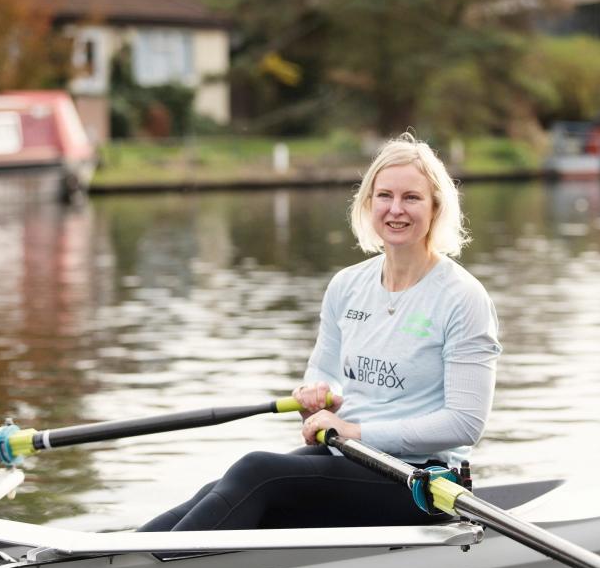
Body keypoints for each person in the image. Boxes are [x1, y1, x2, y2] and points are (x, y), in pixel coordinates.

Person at [139, 132, 501, 533]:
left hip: (423, 482)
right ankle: (112, 558)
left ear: (435, 207)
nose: (396, 209)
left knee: (258, 472)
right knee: (221, 487)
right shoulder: (347, 286)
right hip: (351, 456)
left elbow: (464, 423)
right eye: (385, 196)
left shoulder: (462, 297)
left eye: (411, 198)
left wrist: (355, 430)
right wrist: (315, 393)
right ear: (368, 203)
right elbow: (321, 374)